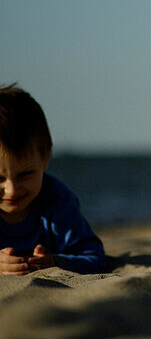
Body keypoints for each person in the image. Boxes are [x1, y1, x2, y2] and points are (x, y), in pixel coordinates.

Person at [0, 84, 110, 274]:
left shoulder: (58, 201)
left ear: (45, 159)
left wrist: (56, 262)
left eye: (25, 174)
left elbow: (95, 258)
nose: (12, 190)